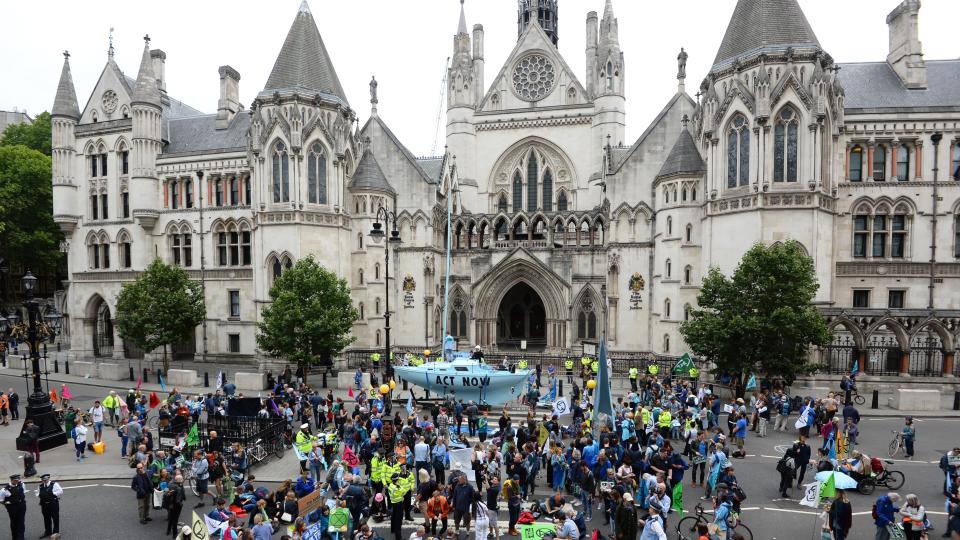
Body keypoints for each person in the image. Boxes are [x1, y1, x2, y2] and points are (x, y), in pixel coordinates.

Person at [1, 474, 27, 540]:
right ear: (11, 480)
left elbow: (23, 492)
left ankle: (21, 537)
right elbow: (1, 500)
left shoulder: (22, 484)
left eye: (18, 480)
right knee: (14, 523)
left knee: (21, 522)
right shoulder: (4, 490)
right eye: (15, 480)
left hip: (21, 506)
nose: (17, 482)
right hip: (12, 508)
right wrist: (7, 505)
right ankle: (15, 537)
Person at [36, 473, 63, 538]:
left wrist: (52, 493)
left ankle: (55, 533)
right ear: (42, 480)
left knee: (55, 518)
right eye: (43, 480)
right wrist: (38, 495)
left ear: (48, 478)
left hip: (53, 504)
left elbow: (60, 491)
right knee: (46, 519)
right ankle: (48, 532)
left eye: (46, 479)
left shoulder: (54, 484)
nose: (45, 481)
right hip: (44, 504)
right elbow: (37, 493)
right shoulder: (40, 486)